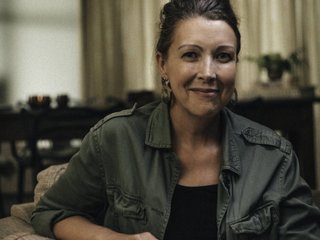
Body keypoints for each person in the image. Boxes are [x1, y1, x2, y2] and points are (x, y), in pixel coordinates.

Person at [31, 0, 320, 239]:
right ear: (163, 64)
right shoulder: (115, 138)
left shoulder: (274, 157)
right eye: (191, 55)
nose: (208, 72)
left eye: (223, 56)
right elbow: (52, 212)